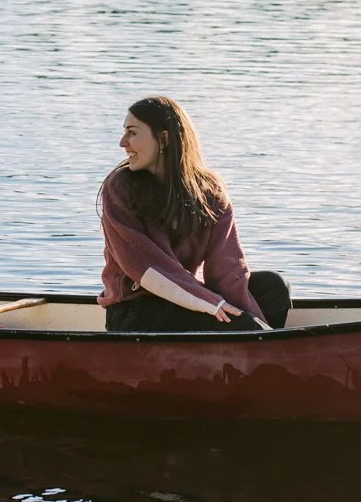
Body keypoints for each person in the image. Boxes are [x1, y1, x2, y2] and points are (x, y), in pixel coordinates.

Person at [98, 95, 290, 332]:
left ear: (164, 138)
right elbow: (146, 267)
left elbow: (227, 270)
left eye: (132, 132)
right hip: (136, 310)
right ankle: (257, 347)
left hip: (184, 298)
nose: (122, 143)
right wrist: (214, 305)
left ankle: (260, 348)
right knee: (241, 324)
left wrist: (258, 325)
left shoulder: (210, 191)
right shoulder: (120, 188)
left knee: (273, 287)